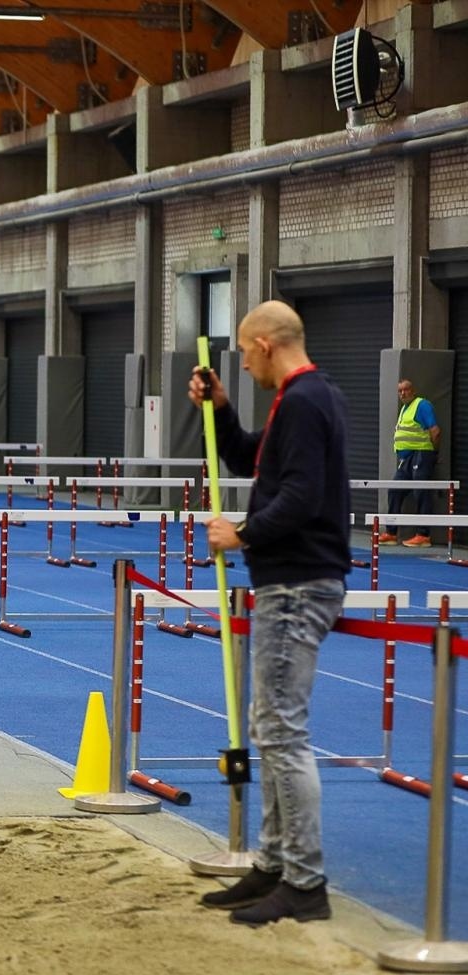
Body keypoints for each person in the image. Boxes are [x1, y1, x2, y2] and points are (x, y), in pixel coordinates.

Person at [188, 300, 350, 926]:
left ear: (263, 344)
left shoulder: (306, 400)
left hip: (298, 583)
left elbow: (302, 496)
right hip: (290, 580)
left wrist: (243, 534)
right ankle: (276, 864)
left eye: (245, 352)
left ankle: (304, 881)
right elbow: (251, 460)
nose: (244, 363)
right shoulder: (303, 397)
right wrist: (222, 410)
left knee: (282, 731)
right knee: (271, 728)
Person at [377, 379, 440, 547]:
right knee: (395, 490)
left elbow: (435, 431)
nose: (403, 393)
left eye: (406, 390)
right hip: (407, 459)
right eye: (400, 391)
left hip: (421, 454)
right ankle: (391, 533)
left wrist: (433, 453)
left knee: (421, 492)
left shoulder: (422, 405)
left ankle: (423, 535)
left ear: (413, 391)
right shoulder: (405, 409)